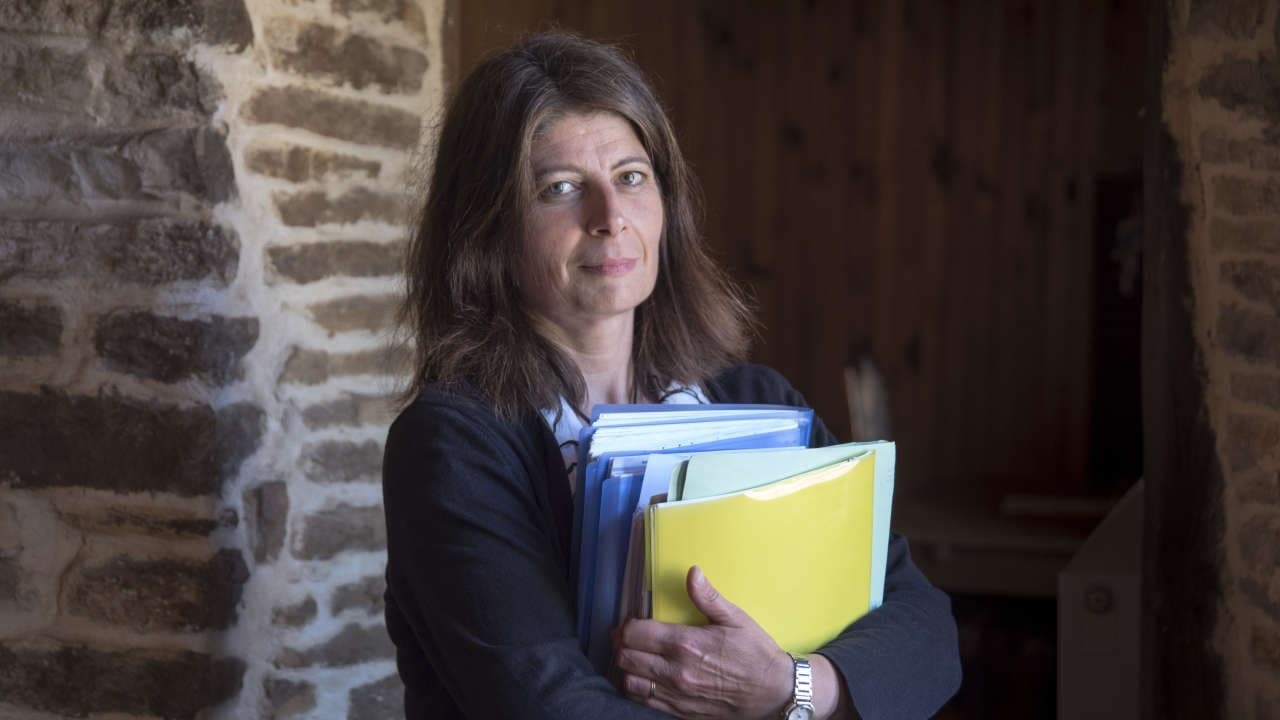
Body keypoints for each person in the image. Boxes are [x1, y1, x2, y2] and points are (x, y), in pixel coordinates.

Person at [383, 31, 961, 720]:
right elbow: (549, 704)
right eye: (560, 188)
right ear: (487, 228)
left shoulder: (758, 402)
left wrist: (792, 688)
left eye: (631, 177)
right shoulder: (452, 444)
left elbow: (928, 633)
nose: (610, 218)